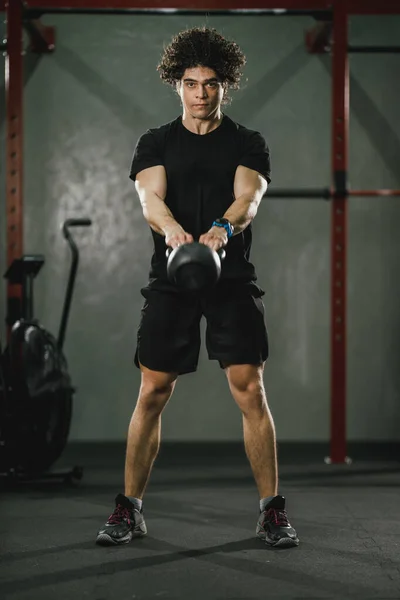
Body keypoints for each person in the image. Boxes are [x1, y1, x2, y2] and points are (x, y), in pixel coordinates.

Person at [96, 26, 299, 549]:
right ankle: (129, 508)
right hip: (172, 278)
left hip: (229, 279)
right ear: (177, 85)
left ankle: (271, 512)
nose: (201, 93)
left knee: (250, 389)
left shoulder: (247, 142)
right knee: (153, 389)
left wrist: (223, 229)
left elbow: (248, 200)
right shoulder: (156, 142)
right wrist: (172, 230)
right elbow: (149, 199)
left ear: (225, 85)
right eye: (191, 83)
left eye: (210, 83)